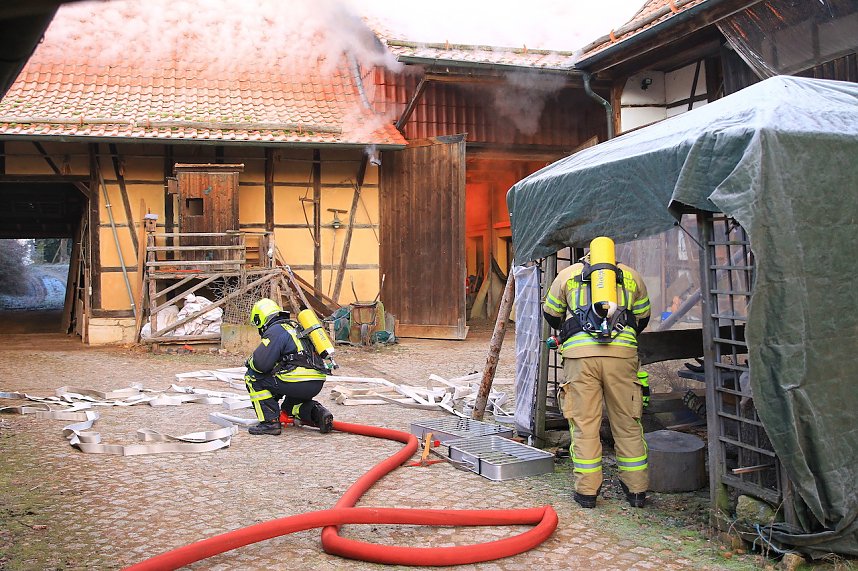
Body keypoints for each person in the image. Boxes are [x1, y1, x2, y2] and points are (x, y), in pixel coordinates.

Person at [542, 238, 651, 509]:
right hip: (623, 357)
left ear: (587, 255)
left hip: (580, 358)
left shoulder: (567, 275)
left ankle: (587, 492)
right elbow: (643, 317)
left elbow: (552, 314)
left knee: (585, 425)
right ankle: (636, 490)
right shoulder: (631, 276)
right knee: (628, 423)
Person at [244, 298, 334, 436]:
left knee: (252, 377)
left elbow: (260, 365)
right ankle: (319, 414)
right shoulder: (295, 327)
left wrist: (249, 361)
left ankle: (270, 423)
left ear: (260, 320)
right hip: (316, 382)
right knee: (288, 407)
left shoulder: (275, 330)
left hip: (296, 381)